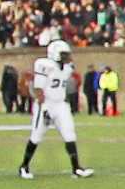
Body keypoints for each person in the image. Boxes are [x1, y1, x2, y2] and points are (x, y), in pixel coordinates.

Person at [21, 40, 93, 179]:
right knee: (36, 136)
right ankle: (24, 167)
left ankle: (76, 168)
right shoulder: (44, 65)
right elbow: (38, 89)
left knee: (69, 134)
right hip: (45, 104)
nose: (67, 57)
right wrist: (44, 110)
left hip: (60, 104)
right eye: (63, 54)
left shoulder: (67, 68)